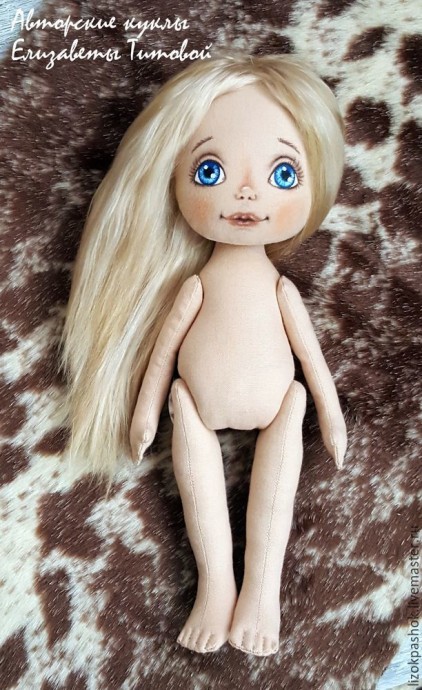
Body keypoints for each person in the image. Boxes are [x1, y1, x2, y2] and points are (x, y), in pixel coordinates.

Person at [61, 53, 347, 656]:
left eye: (284, 175)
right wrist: (146, 413)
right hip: (194, 402)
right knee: (188, 439)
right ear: (172, 179)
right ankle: (216, 587)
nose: (247, 192)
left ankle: (261, 590)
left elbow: (312, 359)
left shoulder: (282, 290)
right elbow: (164, 350)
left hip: (280, 405)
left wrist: (330, 412)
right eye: (210, 170)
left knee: (288, 438)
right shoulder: (194, 286)